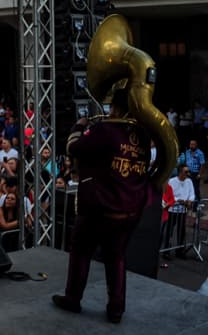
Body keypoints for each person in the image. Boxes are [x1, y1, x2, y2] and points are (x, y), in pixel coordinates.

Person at [52, 87, 159, 324]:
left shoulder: (105, 129)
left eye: (111, 106)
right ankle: (116, 309)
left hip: (100, 208)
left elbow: (74, 148)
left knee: (80, 251)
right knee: (117, 257)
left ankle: (73, 298)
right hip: (130, 208)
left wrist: (79, 126)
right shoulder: (141, 134)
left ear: (117, 108)